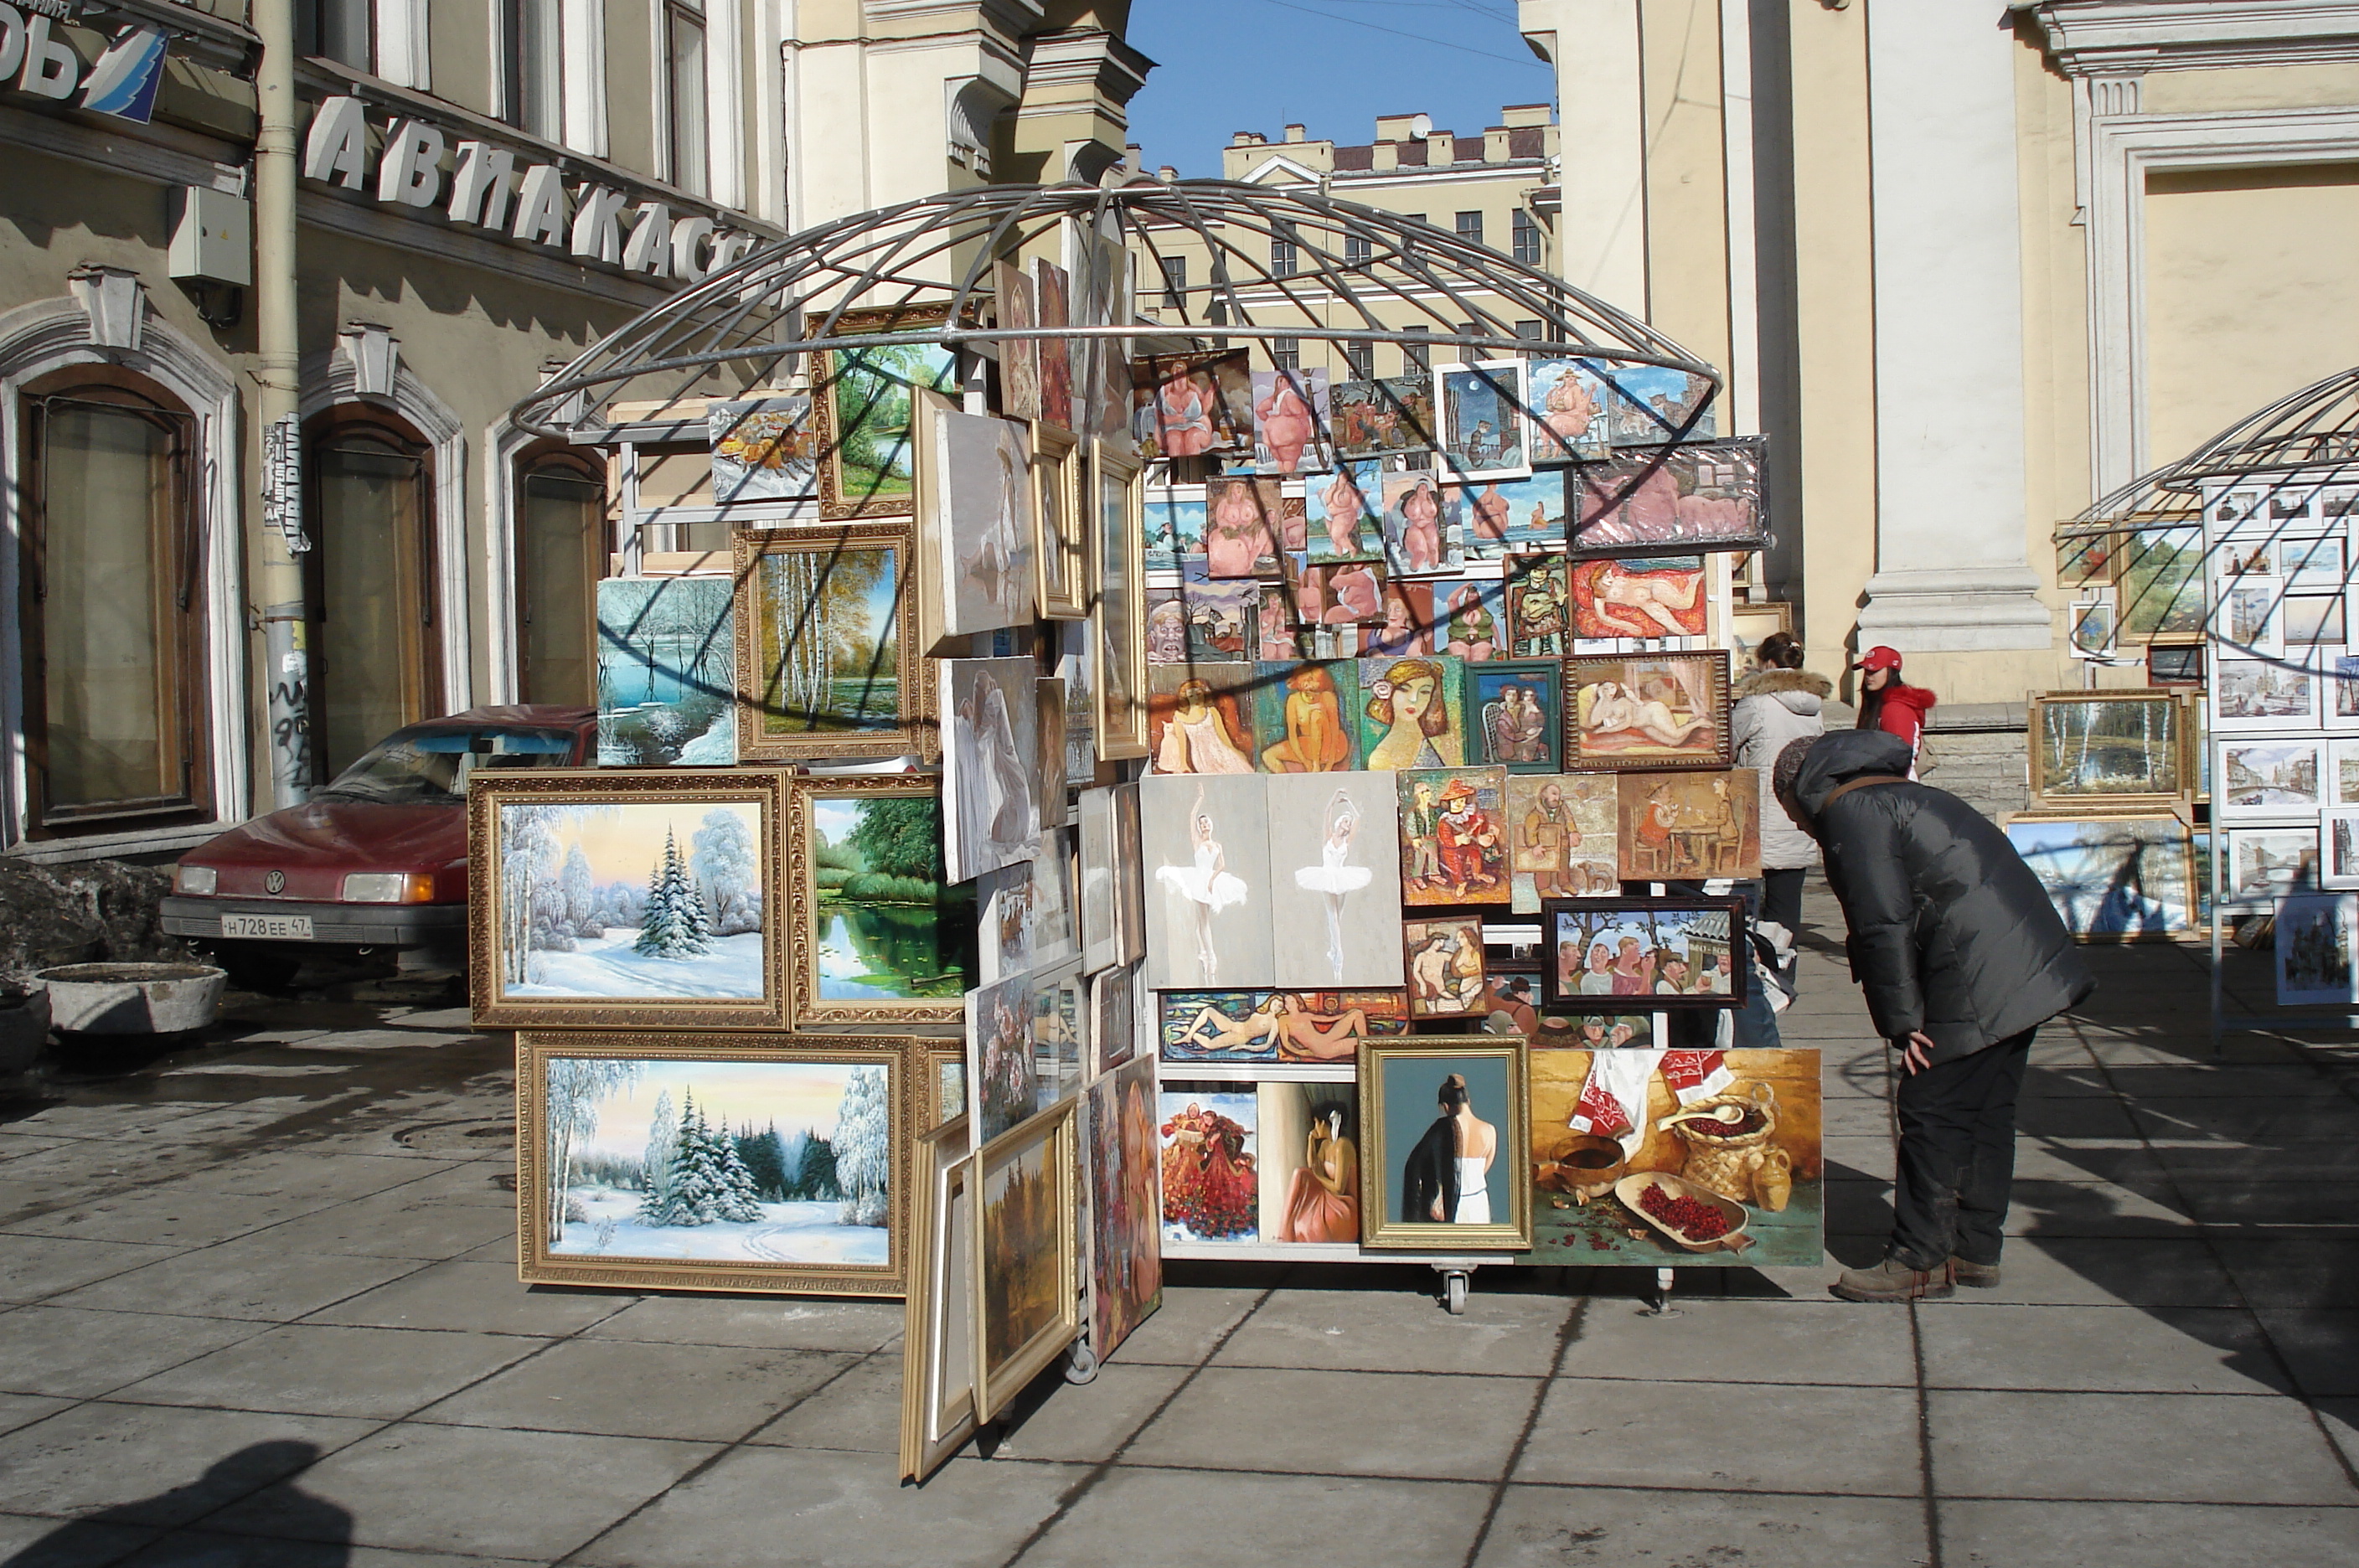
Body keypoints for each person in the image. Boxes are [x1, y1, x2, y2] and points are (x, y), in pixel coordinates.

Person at [1773, 730, 2096, 1302]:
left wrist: (1904, 1022)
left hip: (1979, 969)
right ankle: (1973, 1247)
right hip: (2021, 958)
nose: (1799, 828)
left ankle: (1918, 1258)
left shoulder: (1854, 810)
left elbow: (1881, 921)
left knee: (1932, 1109)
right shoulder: (1894, 791)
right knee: (1986, 1110)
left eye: (1792, 816)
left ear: (1800, 792)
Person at [1732, 631, 1832, 959]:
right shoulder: (1813, 709)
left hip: (1757, 817)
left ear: (1769, 663)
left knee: (1742, 904)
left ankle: (1755, 975)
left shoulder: (1757, 704)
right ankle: (1784, 976)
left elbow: (1725, 744)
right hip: (1797, 817)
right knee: (1786, 907)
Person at [1154, 787, 1250, 985]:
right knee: (1202, 921)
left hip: (1208, 880)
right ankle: (1209, 956)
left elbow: (1222, 865)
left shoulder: (1217, 846)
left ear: (1211, 825)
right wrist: (1200, 799)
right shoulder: (1196, 840)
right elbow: (1191, 817)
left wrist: (1213, 879)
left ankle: (1207, 956)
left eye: (1206, 822)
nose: (1204, 824)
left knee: (1202, 922)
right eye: (1202, 823)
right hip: (1197, 878)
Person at [1401, 1073, 1496, 1223]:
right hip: (1479, 1201)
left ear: (1445, 1106)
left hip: (1452, 1203)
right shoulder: (1490, 1130)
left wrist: (1437, 1197)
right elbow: (1484, 1168)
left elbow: (1416, 1164)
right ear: (1468, 1101)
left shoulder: (1443, 1128)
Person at [1275, 1106, 1360, 1242]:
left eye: (1316, 1123)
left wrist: (1320, 1177)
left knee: (1307, 1223)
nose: (1315, 1127)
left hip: (1344, 1204)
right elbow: (1312, 1166)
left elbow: (1339, 1189)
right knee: (1300, 1173)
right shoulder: (1326, 1145)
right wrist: (1311, 1141)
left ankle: (1294, 1233)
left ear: (1324, 1123)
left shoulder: (1342, 1146)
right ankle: (1283, 1233)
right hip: (1328, 1195)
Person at [1852, 645, 1936, 773]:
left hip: (1893, 784)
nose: (1869, 676)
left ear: (1892, 671)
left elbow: (1900, 757)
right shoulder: (1877, 704)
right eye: (1867, 671)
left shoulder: (1895, 709)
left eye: (1875, 670)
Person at [1261, 664, 1350, 772]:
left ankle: (1316, 764)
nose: (1309, 685)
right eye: (1306, 679)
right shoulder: (1293, 700)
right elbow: (1292, 735)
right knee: (1267, 755)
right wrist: (1304, 761)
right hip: (1308, 744)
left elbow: (1335, 731)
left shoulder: (1328, 697)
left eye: (1312, 680)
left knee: (1316, 716)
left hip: (1331, 745)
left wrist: (1329, 765)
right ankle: (1287, 785)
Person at [1154, 679, 1254, 774]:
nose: (1196, 698)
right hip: (1201, 756)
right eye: (1191, 695)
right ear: (1186, 698)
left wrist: (1235, 751)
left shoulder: (1211, 711)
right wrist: (1183, 764)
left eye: (1199, 694)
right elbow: (1182, 742)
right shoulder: (1179, 718)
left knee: (1241, 770)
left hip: (1221, 751)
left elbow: (1223, 736)